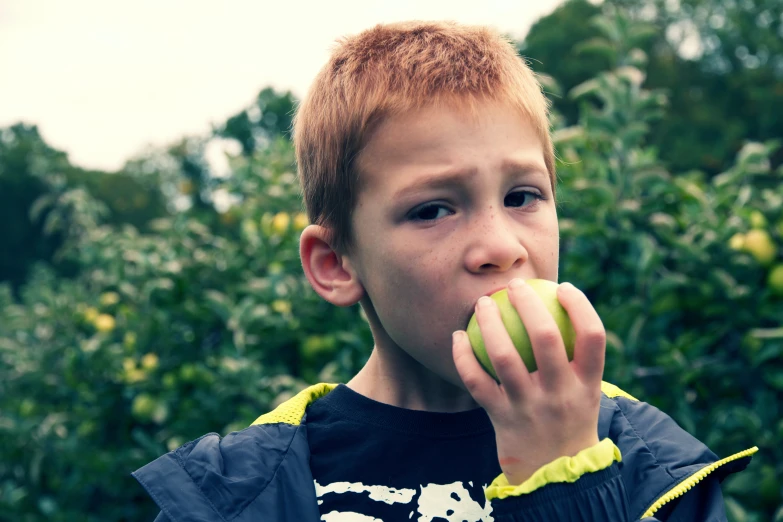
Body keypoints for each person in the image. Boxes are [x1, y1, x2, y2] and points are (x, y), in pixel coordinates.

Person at [133, 20, 757, 521]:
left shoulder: (653, 468)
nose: (500, 246)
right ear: (335, 265)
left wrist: (567, 479)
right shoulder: (247, 493)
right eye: (433, 209)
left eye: (522, 197)